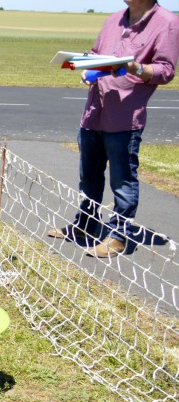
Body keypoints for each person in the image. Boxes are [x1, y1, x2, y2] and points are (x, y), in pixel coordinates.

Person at [51, 0, 178, 258]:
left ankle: (119, 237)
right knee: (89, 177)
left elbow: (166, 70)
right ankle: (84, 226)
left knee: (122, 181)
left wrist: (137, 68)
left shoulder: (168, 22)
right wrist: (85, 69)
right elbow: (96, 54)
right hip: (93, 113)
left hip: (124, 118)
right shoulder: (113, 20)